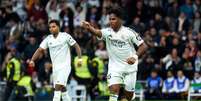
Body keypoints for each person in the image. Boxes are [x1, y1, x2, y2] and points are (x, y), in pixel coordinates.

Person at [81, 6, 148, 101]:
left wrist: (134, 57)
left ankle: (130, 95)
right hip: (114, 67)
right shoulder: (107, 32)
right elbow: (97, 32)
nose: (111, 21)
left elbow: (144, 46)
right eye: (110, 19)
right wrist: (89, 28)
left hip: (130, 68)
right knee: (113, 89)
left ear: (120, 20)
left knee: (128, 96)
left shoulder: (129, 32)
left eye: (113, 19)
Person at [28, 19, 82, 101]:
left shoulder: (65, 36)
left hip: (65, 66)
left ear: (58, 27)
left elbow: (76, 46)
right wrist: (32, 60)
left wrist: (80, 59)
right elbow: (40, 50)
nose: (51, 29)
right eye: (50, 27)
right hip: (55, 68)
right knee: (63, 89)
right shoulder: (48, 39)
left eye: (53, 27)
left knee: (57, 89)